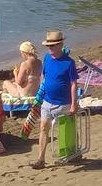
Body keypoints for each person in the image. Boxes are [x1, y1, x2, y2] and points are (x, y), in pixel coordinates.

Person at [31, 30, 79, 170]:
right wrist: (40, 94)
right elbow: (44, 77)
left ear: (60, 45)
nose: (49, 48)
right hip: (47, 101)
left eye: (52, 46)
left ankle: (72, 152)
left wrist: (73, 104)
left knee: (66, 130)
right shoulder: (47, 58)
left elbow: (73, 84)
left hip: (63, 103)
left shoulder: (69, 63)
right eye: (48, 46)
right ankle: (40, 159)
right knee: (43, 128)